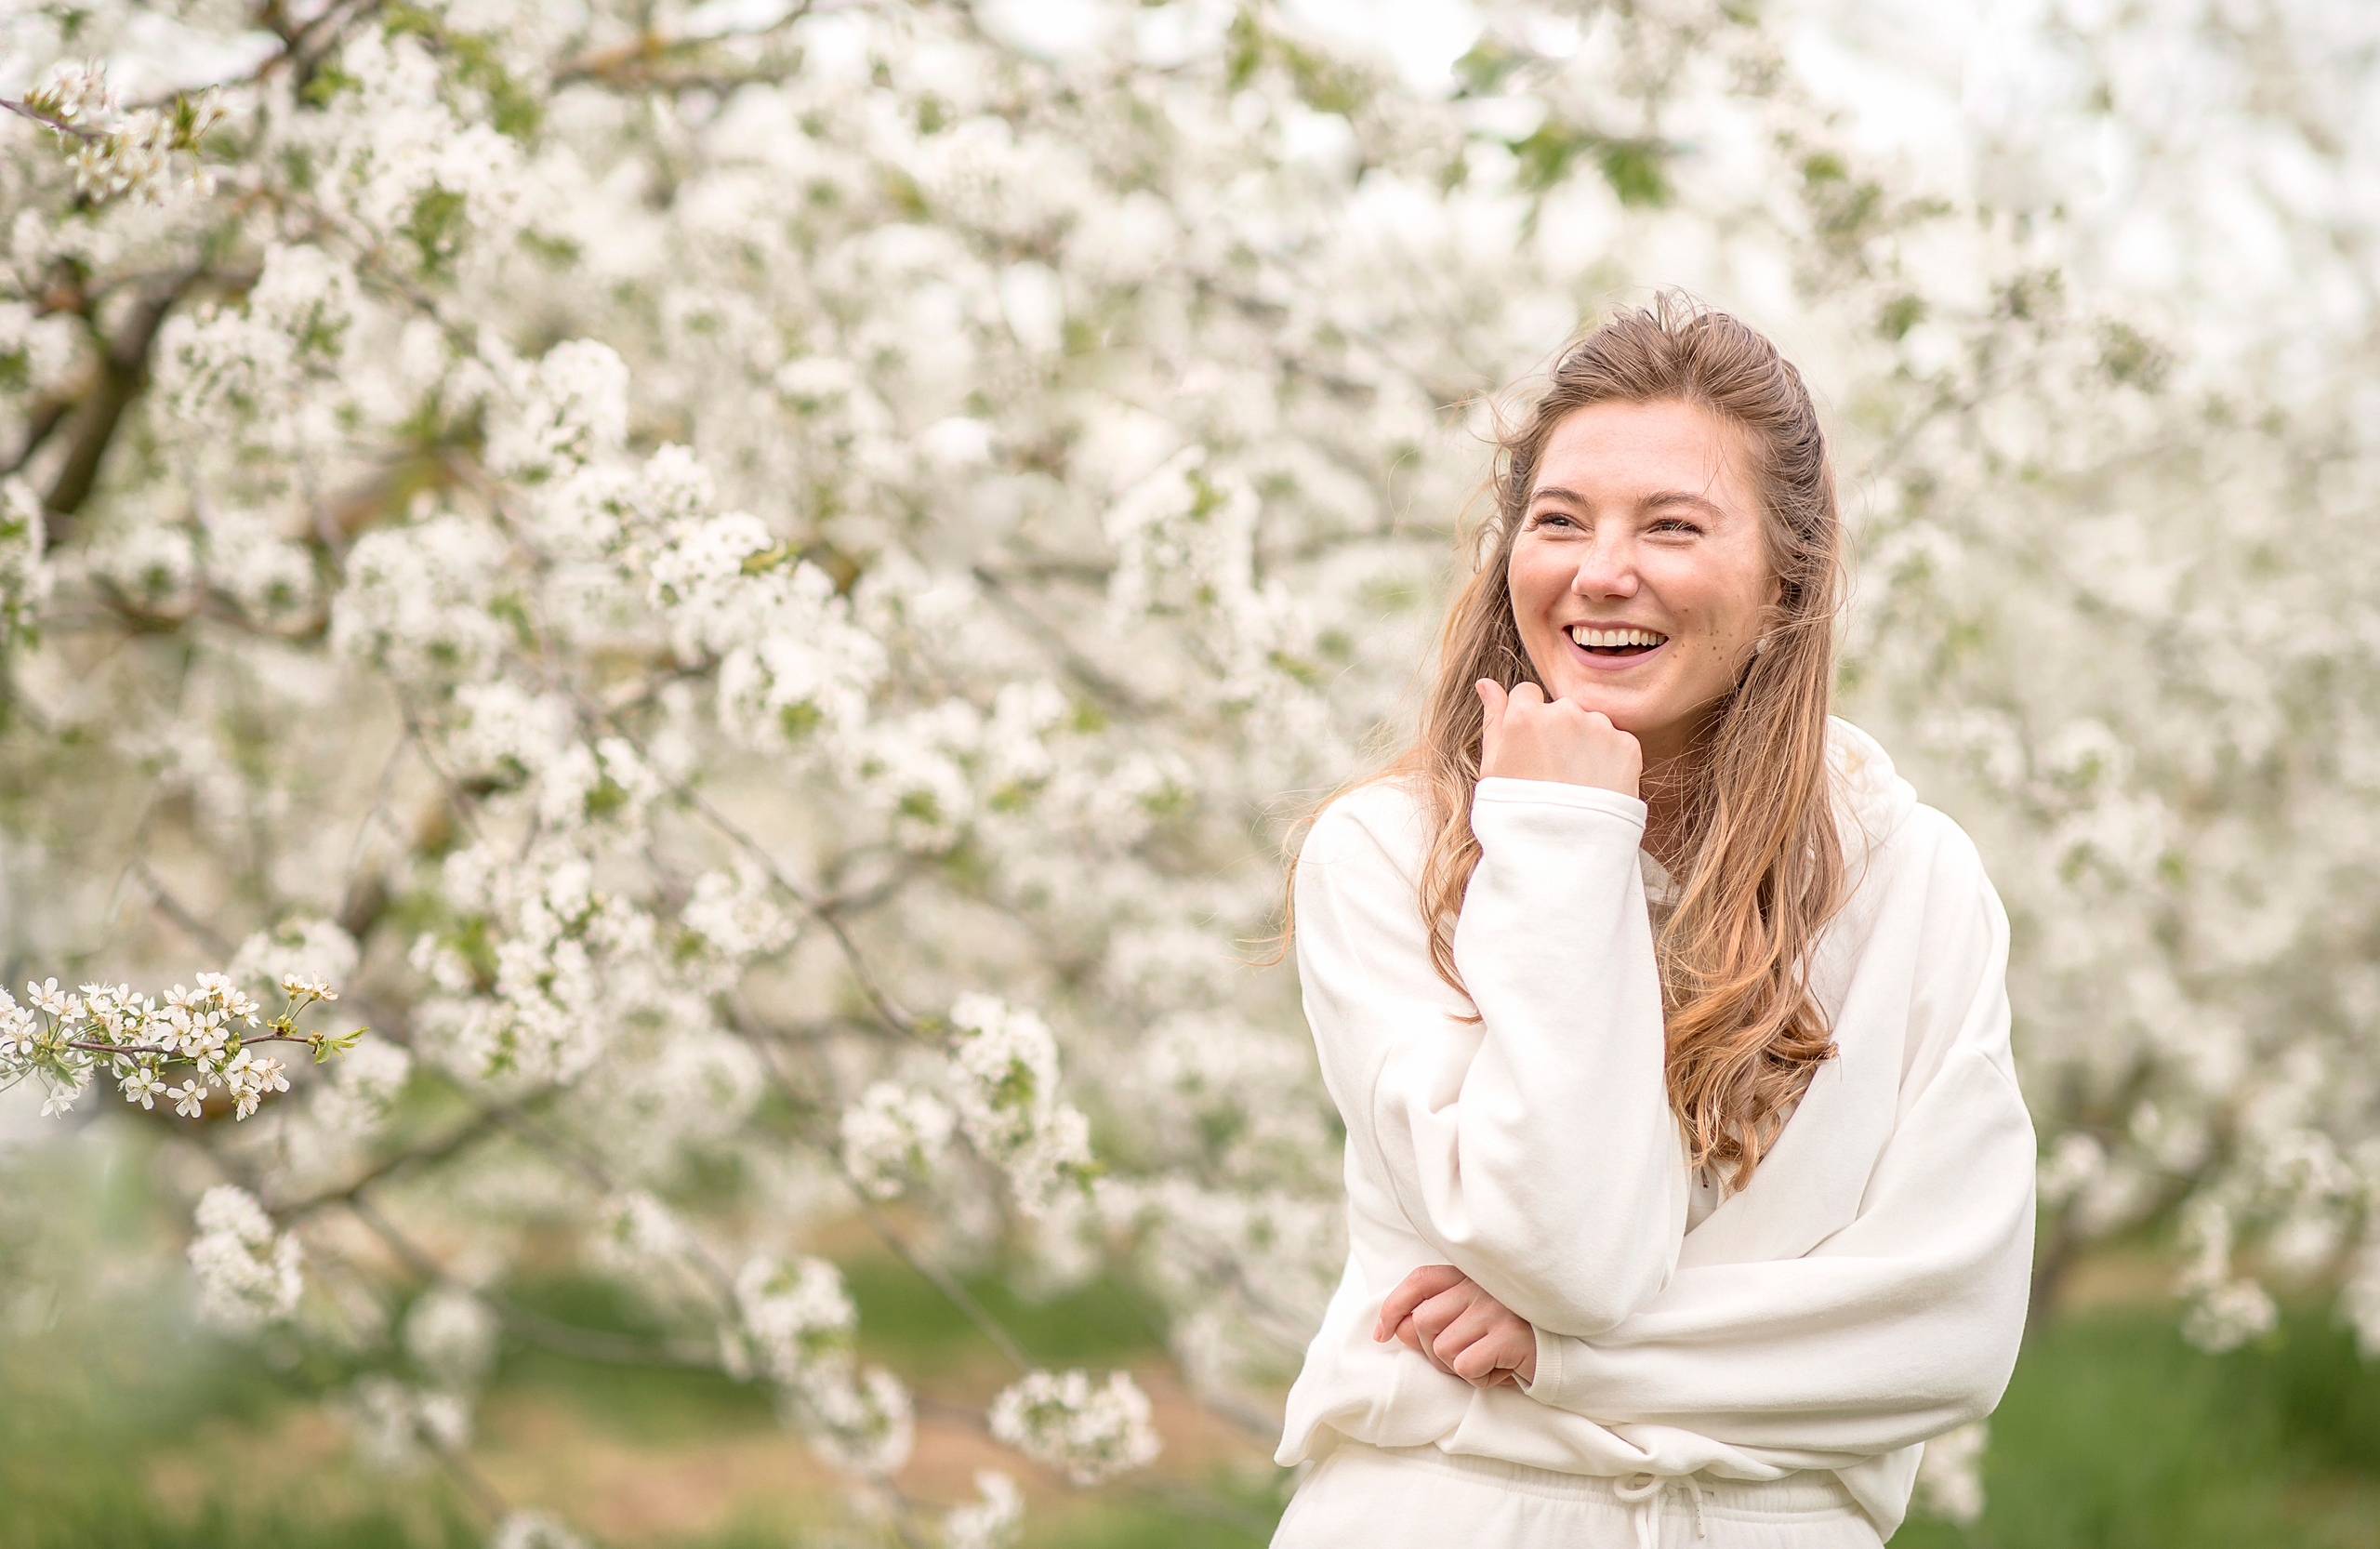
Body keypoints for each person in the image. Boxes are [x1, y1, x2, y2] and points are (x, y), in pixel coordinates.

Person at [1268, 298, 2036, 1549]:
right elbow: (1574, 1251)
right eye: (1560, 520)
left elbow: (1947, 1335)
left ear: (1790, 571)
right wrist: (1563, 836)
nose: (1600, 570)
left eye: (1671, 527)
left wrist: (1556, 1357)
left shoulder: (1918, 881)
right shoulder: (1387, 857)